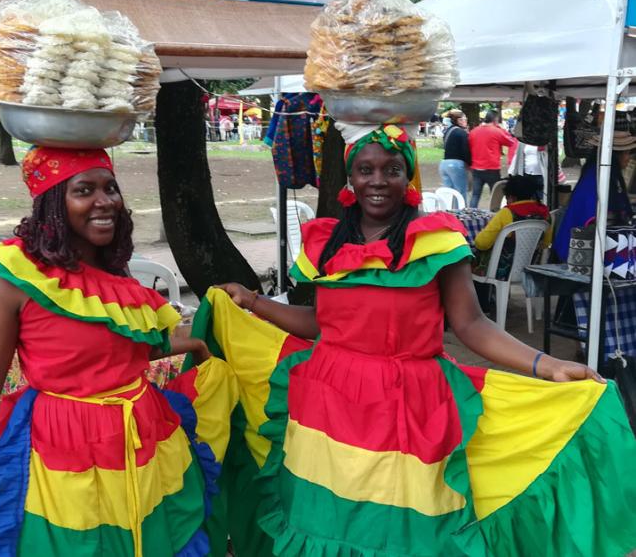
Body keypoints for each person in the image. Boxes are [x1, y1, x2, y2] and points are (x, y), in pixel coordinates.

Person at [196, 124, 636, 555]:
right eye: (365, 170)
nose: (378, 181)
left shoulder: (436, 241)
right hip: (326, 404)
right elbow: (323, 323)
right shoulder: (327, 243)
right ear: (350, 178)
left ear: (408, 177)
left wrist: (547, 365)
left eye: (392, 169)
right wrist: (253, 302)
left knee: (406, 530)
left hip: (409, 407)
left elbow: (472, 325)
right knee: (325, 516)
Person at [0, 147, 238, 556]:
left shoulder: (117, 276)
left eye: (110, 188)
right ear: (54, 203)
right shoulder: (15, 278)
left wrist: (194, 340)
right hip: (65, 453)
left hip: (148, 445)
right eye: (84, 190)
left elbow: (119, 351)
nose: (104, 201)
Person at [554, 131, 635, 261]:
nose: (629, 158)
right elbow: (598, 220)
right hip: (578, 254)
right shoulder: (596, 180)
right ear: (615, 155)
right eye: (627, 153)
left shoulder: (599, 174)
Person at [473, 174, 551, 287]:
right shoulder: (544, 213)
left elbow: (481, 243)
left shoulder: (507, 213)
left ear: (512, 197)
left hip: (501, 271)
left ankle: (485, 300)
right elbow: (546, 243)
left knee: (470, 257)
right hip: (531, 267)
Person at [468, 110, 516, 208]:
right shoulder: (496, 131)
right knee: (495, 195)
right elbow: (511, 142)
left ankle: (471, 213)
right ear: (495, 120)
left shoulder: (473, 131)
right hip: (492, 168)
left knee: (475, 195)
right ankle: (494, 214)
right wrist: (500, 128)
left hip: (476, 168)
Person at [438, 109, 470, 203]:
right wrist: (470, 163)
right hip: (456, 164)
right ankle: (462, 214)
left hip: (444, 164)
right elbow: (465, 150)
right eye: (465, 119)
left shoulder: (448, 131)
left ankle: (448, 212)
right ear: (459, 120)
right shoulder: (461, 132)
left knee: (449, 193)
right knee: (460, 192)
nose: (466, 121)